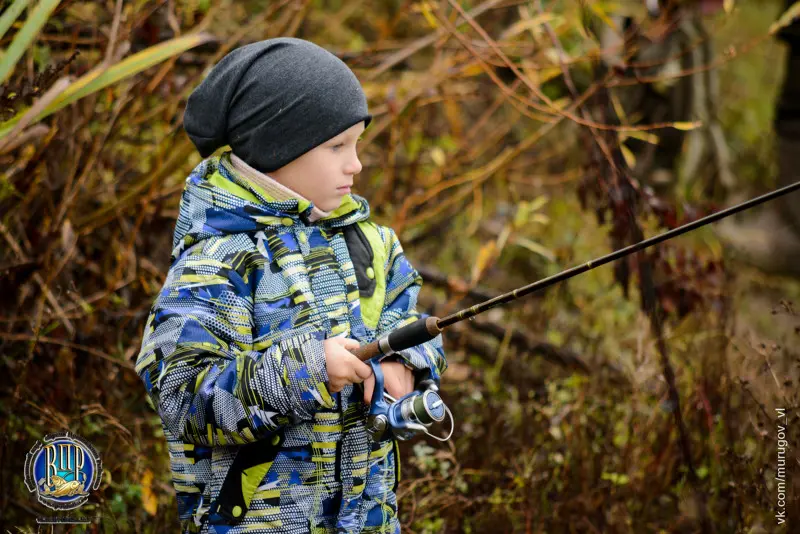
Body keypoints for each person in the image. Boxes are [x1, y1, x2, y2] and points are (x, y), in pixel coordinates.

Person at [134, 37, 447, 533]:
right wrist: (308, 371)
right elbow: (180, 395)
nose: (356, 164)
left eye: (357, 144)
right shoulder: (220, 260)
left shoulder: (373, 244)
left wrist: (404, 362)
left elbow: (408, 318)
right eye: (337, 146)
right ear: (277, 147)